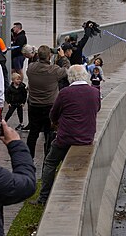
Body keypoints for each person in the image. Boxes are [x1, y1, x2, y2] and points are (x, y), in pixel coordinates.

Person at [35, 65, 100, 205]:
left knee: (50, 162)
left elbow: (53, 114)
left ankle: (43, 197)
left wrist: (57, 122)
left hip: (66, 137)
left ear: (70, 77)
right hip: (86, 137)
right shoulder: (94, 92)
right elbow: (97, 108)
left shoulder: (65, 93)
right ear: (85, 76)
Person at [26, 45, 69, 160]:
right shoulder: (54, 70)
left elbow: (33, 63)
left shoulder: (30, 68)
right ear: (49, 56)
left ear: (37, 55)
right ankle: (48, 158)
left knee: (33, 133)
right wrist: (63, 57)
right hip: (50, 106)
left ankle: (30, 158)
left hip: (34, 106)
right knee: (49, 133)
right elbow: (66, 70)